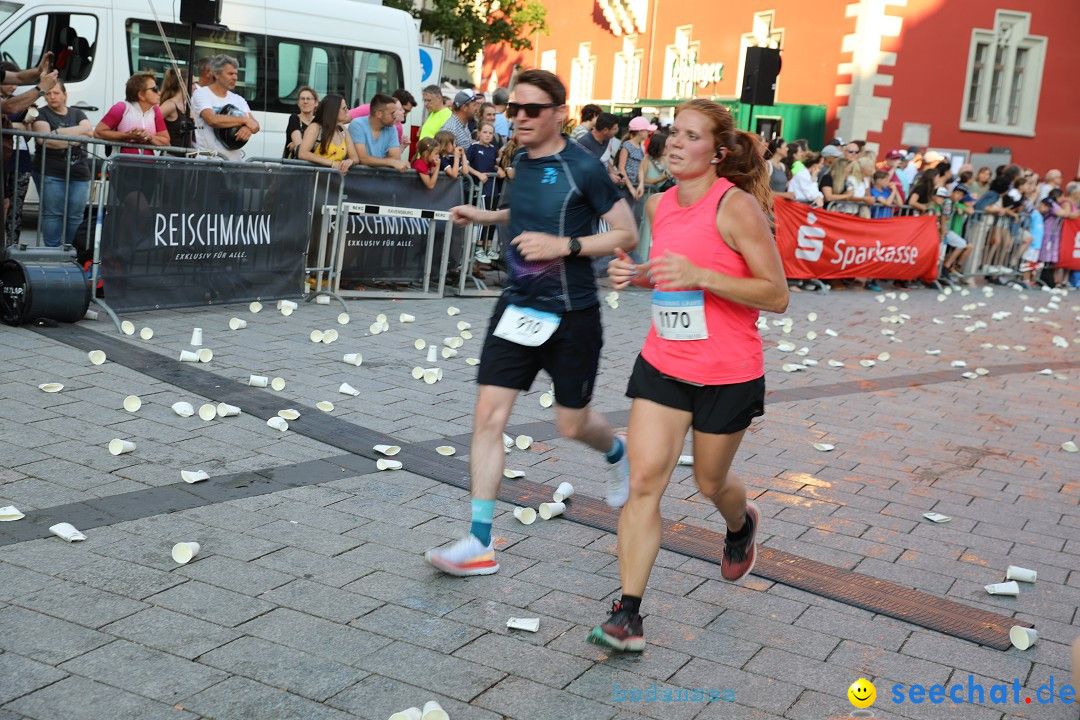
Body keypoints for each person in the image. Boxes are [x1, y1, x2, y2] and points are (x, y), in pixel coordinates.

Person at [425, 69, 637, 577]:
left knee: (572, 422)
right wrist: (487, 218)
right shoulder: (520, 159)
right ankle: (479, 541)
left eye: (532, 109)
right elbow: (526, 216)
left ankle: (615, 451)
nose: (519, 116)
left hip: (572, 314)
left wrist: (565, 246)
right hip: (517, 306)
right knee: (488, 417)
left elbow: (625, 232)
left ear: (560, 114)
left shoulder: (584, 168)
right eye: (514, 108)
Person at [595, 98, 788, 653]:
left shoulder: (735, 208)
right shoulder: (657, 205)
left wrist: (700, 274)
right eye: (672, 133)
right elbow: (672, 275)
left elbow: (776, 295)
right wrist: (639, 276)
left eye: (691, 136)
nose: (675, 143)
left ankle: (740, 523)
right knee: (644, 482)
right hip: (664, 362)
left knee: (709, 482)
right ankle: (627, 615)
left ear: (718, 152)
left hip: (728, 372)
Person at [32, 81, 93, 247]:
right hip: (51, 171)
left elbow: (89, 131)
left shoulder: (77, 113)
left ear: (65, 95)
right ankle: (52, 252)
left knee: (76, 215)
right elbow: (44, 140)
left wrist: (57, 134)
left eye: (56, 93)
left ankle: (71, 251)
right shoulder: (41, 113)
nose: (52, 96)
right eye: (48, 93)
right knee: (53, 214)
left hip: (79, 173)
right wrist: (76, 140)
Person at [190, 55, 259, 160]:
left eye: (236, 74)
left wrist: (247, 128)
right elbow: (211, 119)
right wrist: (244, 120)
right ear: (217, 74)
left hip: (234, 164)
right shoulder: (201, 93)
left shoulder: (239, 99)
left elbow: (255, 125)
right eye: (230, 74)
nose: (235, 77)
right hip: (208, 163)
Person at [94, 73, 169, 154]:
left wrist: (149, 136)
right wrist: (128, 135)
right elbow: (98, 132)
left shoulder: (155, 110)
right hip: (123, 163)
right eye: (155, 89)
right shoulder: (121, 107)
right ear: (141, 95)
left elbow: (165, 140)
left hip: (148, 164)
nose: (159, 93)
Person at [297, 94, 357, 173]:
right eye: (344, 108)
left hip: (335, 180)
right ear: (333, 111)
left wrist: (350, 161)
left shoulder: (343, 130)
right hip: (314, 179)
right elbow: (302, 153)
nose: (347, 111)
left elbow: (355, 158)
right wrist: (332, 164)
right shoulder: (315, 127)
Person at [348, 92, 408, 171]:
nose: (395, 116)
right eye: (392, 113)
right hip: (358, 179)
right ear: (379, 114)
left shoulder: (392, 128)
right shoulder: (357, 125)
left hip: (381, 179)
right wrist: (391, 162)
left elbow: (396, 158)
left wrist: (391, 161)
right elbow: (362, 158)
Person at [616, 116, 654, 222]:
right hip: (624, 187)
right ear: (640, 132)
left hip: (635, 186)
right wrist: (631, 188)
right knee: (625, 218)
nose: (648, 133)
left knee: (637, 216)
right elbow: (621, 168)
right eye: (647, 130)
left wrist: (641, 184)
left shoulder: (641, 146)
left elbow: (640, 168)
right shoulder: (627, 145)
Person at [466, 122, 503, 205]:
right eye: (485, 132)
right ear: (479, 133)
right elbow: (465, 166)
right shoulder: (473, 147)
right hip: (478, 187)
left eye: (490, 133)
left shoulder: (493, 149)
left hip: (492, 188)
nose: (488, 135)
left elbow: (494, 164)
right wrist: (478, 174)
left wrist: (499, 169)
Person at [158, 68, 191, 151]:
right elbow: (150, 121)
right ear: (182, 84)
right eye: (193, 83)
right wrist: (162, 140)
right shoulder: (170, 105)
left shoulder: (186, 105)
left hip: (185, 158)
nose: (195, 87)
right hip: (171, 157)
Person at [284, 86, 317, 158]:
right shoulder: (294, 118)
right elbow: (300, 147)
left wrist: (300, 144)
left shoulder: (318, 123)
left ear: (316, 103)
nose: (305, 101)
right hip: (295, 166)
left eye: (308, 99)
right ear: (298, 103)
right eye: (302, 99)